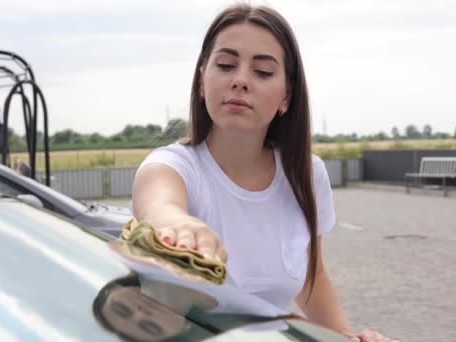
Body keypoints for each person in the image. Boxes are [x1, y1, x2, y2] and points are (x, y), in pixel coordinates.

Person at [132, 4, 398, 342]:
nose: (240, 81)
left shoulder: (306, 174)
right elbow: (158, 208)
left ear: (286, 96)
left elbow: (311, 278)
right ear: (202, 80)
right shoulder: (171, 167)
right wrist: (179, 228)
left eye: (263, 71)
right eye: (226, 65)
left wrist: (348, 337)